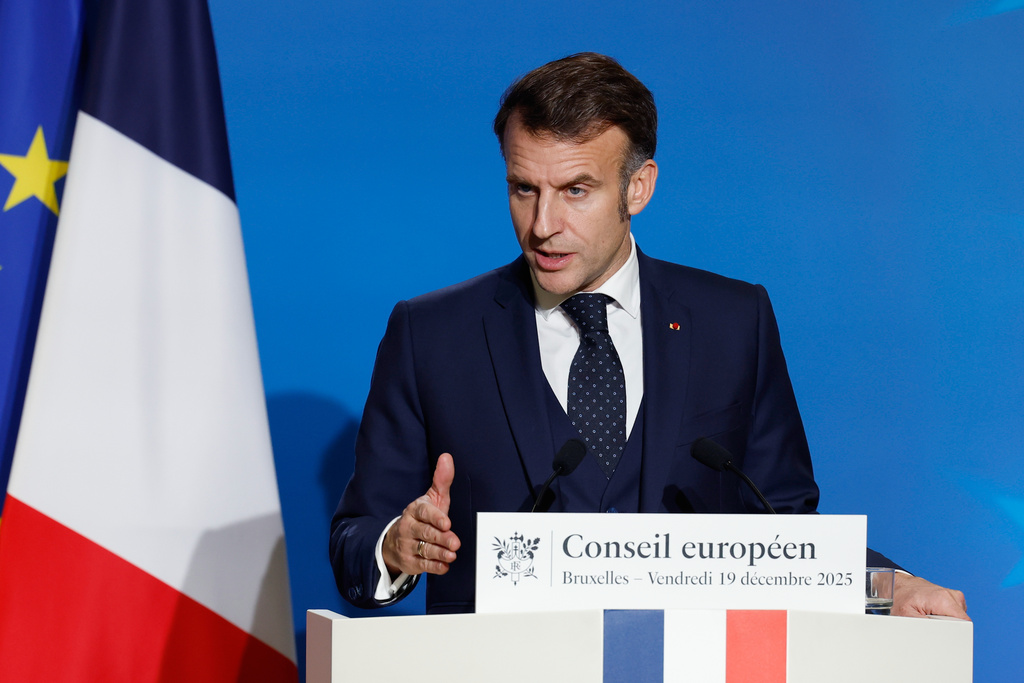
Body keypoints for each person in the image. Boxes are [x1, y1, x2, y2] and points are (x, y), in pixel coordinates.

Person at [330, 52, 968, 619]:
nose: (543, 224)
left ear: (638, 187)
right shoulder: (433, 334)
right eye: (524, 189)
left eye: (575, 190)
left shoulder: (733, 320)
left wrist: (888, 586)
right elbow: (354, 541)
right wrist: (394, 545)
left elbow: (784, 528)